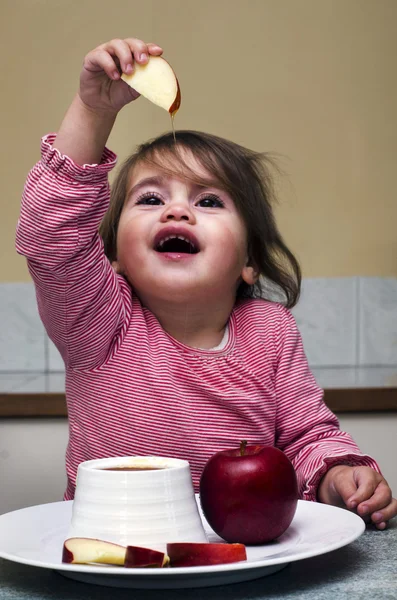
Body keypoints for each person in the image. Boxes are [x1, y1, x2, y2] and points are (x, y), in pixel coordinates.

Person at [16, 37, 396, 529]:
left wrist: (337, 474)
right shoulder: (102, 321)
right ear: (113, 260)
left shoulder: (270, 331)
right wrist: (92, 110)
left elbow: (305, 438)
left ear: (249, 263)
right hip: (113, 555)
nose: (177, 210)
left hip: (243, 557)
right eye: (150, 199)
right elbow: (50, 235)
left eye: (209, 202)